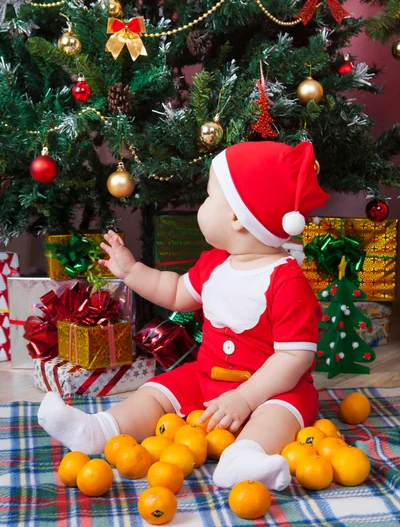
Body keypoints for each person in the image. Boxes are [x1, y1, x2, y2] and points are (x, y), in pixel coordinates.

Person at [38, 140, 329, 491]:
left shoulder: (288, 282)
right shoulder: (216, 263)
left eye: (209, 197)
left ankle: (245, 458)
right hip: (208, 377)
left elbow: (294, 357)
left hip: (271, 390)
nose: (201, 205)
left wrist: (246, 397)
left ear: (238, 217)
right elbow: (175, 292)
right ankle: (100, 429)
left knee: (279, 415)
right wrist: (132, 272)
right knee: (157, 391)